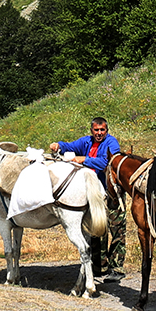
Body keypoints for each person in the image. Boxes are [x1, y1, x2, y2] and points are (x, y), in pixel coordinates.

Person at [50, 117, 126, 278]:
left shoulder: (111, 143)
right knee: (97, 227)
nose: (99, 133)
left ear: (107, 130)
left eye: (102, 130)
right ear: (91, 130)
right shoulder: (86, 142)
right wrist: (58, 145)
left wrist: (85, 159)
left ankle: (117, 268)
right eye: (96, 130)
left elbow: (107, 162)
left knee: (116, 228)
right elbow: (69, 146)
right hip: (94, 192)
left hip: (111, 192)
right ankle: (99, 266)